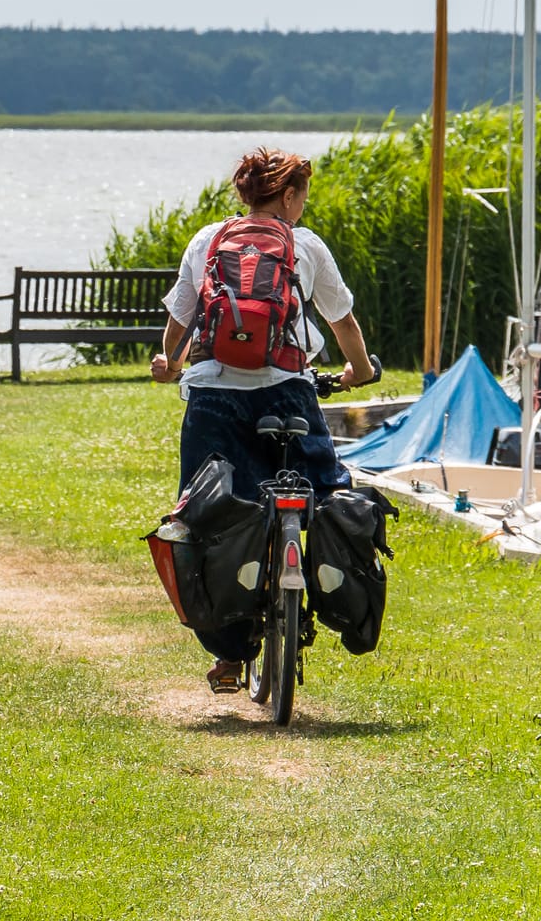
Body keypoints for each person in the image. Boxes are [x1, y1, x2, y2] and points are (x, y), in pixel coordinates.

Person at [151, 147, 376, 693]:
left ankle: (228, 653)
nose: (303, 206)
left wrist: (171, 365)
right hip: (287, 392)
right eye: (303, 197)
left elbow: (180, 320)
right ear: (290, 196)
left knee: (204, 514)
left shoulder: (208, 240)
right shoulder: (307, 246)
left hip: (213, 396)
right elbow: (342, 321)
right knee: (329, 495)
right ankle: (337, 601)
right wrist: (362, 370)